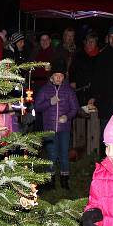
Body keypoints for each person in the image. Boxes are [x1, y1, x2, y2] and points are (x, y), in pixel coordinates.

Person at [34, 60, 79, 190]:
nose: (59, 78)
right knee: (52, 155)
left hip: (64, 129)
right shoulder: (45, 90)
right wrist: (50, 102)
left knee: (64, 154)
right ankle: (51, 181)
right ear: (51, 77)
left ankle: (65, 180)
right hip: (49, 129)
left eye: (61, 76)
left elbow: (74, 108)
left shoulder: (69, 91)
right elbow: (37, 107)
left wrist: (67, 116)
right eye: (56, 75)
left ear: (64, 77)